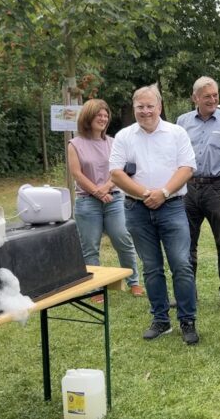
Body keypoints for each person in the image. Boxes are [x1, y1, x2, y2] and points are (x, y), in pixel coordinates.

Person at [109, 84, 199, 345]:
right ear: (134, 108)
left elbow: (187, 168)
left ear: (159, 107)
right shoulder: (124, 136)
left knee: (181, 264)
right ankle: (161, 320)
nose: (145, 111)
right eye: (140, 107)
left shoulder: (176, 133)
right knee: (151, 267)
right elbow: (116, 173)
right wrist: (147, 193)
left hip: (172, 206)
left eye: (150, 106)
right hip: (136, 209)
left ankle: (187, 320)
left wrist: (164, 192)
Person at [68, 99, 142, 301]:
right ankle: (95, 288)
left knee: (122, 238)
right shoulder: (75, 144)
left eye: (105, 115)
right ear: (87, 117)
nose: (103, 118)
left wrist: (107, 188)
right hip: (87, 202)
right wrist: (98, 192)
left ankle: (134, 281)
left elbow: (120, 170)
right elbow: (77, 174)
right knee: (90, 246)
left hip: (114, 199)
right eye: (98, 115)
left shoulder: (113, 142)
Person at [177, 77, 220, 309]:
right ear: (195, 98)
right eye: (207, 96)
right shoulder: (182, 122)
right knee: (186, 242)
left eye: (215, 95)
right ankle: (187, 292)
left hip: (218, 188)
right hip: (188, 187)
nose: (213, 99)